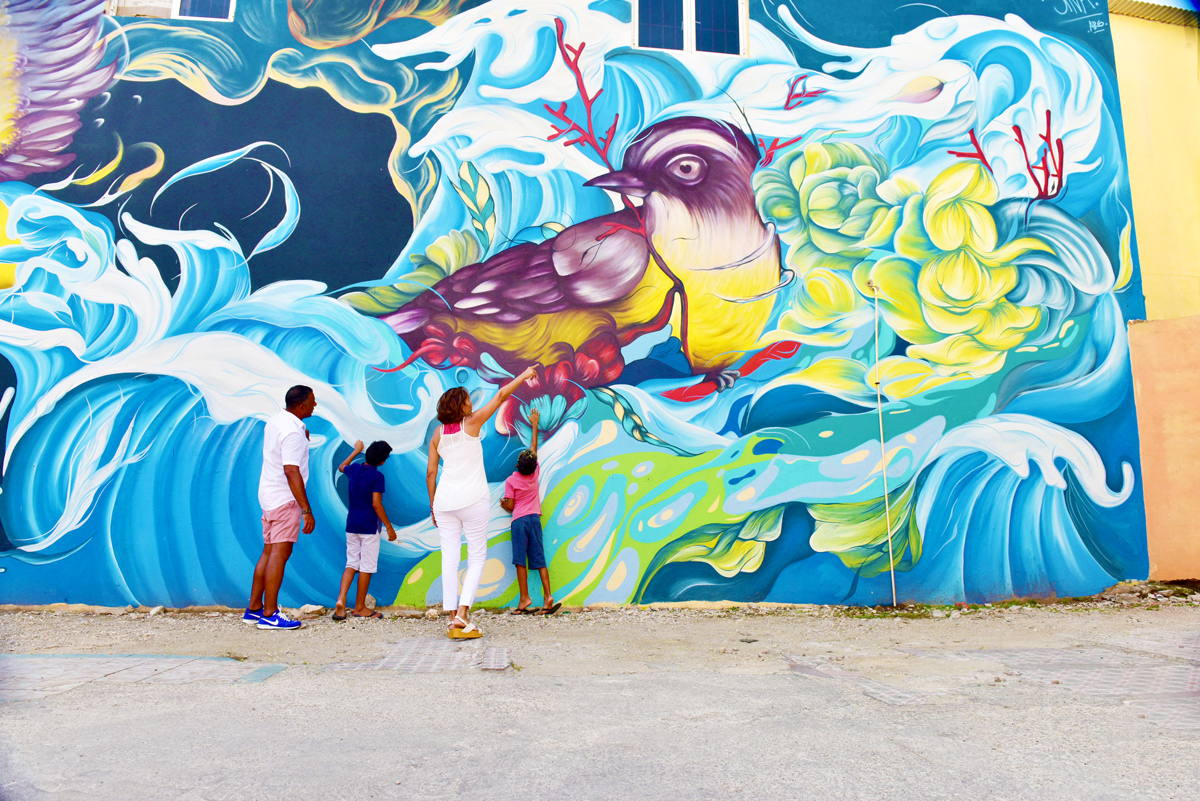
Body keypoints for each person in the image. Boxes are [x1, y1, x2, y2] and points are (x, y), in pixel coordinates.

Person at [428, 366, 537, 639]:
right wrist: (522, 375)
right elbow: (500, 396)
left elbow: (431, 472)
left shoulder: (438, 434)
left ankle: (452, 616)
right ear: (460, 407)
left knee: (450, 559)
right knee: (476, 557)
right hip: (473, 499)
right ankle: (462, 615)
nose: (471, 403)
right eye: (467, 400)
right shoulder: (472, 423)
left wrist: (432, 505)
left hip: (444, 502)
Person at [245, 385, 317, 631]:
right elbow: (291, 470)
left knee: (268, 552)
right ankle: (270, 614)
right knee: (280, 554)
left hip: (268, 496)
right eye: (312, 402)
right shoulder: (293, 432)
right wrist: (306, 509)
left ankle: (254, 609)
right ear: (302, 406)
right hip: (285, 500)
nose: (315, 406)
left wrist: (302, 441)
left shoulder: (276, 422)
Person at [500, 409, 561, 616]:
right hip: (534, 519)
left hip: (519, 522)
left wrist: (503, 504)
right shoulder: (535, 473)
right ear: (534, 466)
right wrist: (535, 424)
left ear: (517, 465)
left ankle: (524, 598)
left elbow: (510, 506)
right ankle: (548, 595)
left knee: (520, 560)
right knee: (539, 559)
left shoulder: (511, 481)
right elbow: (534, 448)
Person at [333, 440, 397, 621]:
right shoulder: (377, 477)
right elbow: (376, 504)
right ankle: (360, 607)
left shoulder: (353, 469)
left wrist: (355, 451)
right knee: (366, 566)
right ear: (383, 462)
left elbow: (341, 466)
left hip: (352, 524)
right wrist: (389, 528)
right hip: (369, 527)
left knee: (351, 563)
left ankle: (341, 599)